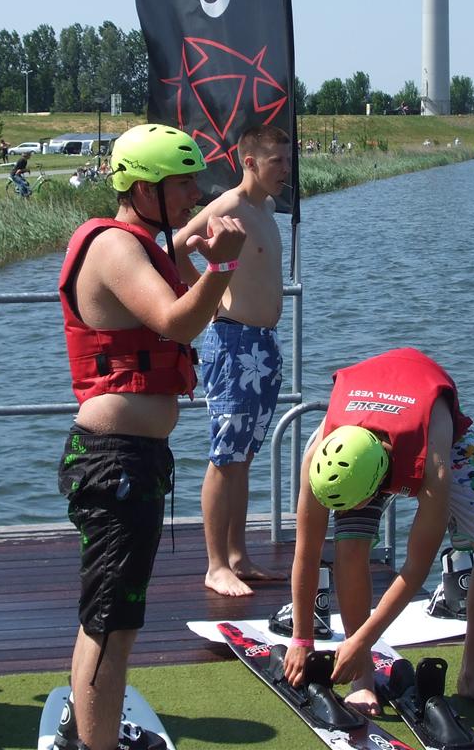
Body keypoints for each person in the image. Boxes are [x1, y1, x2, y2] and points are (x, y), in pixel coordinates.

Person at [55, 123, 245, 750]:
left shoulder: (141, 241)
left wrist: (195, 252)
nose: (194, 193)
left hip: (132, 459)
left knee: (112, 620)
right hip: (115, 462)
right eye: (182, 183)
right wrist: (222, 264)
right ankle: (96, 744)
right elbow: (176, 320)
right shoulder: (115, 248)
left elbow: (178, 304)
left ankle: (91, 734)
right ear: (141, 188)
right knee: (112, 624)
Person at [282, 347, 474, 719]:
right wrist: (301, 638)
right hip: (358, 428)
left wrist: (362, 640)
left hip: (433, 433)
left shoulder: (433, 469)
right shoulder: (320, 454)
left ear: (384, 478)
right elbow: (307, 550)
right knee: (350, 547)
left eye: (362, 502)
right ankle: (362, 681)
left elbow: (414, 568)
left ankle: (473, 677)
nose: (356, 511)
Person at [171, 125, 291, 597]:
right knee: (224, 456)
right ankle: (215, 564)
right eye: (276, 161)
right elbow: (176, 247)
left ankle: (239, 556)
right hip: (233, 342)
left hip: (264, 346)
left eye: (287, 159)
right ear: (249, 163)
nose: (285, 169)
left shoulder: (268, 208)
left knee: (244, 456)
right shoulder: (227, 208)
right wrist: (206, 295)